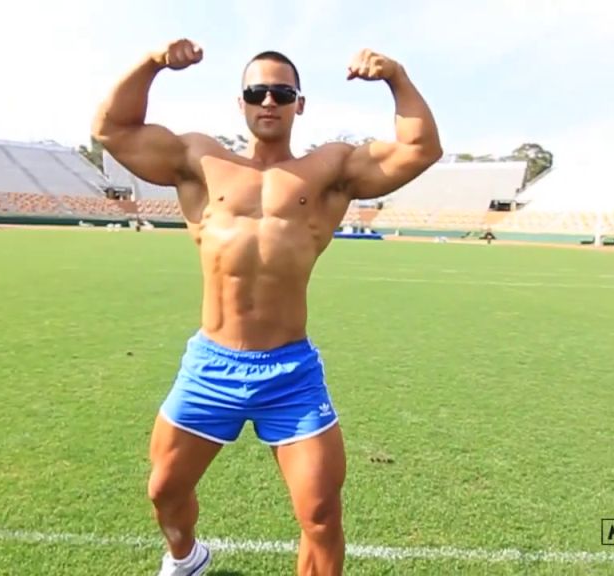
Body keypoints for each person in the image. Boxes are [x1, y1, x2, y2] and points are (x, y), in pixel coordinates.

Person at [92, 39, 442, 576]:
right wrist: (153, 62)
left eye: (282, 92)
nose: (269, 101)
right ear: (242, 103)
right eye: (257, 92)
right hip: (211, 366)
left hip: (289, 374)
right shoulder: (200, 160)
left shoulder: (329, 168)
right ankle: (186, 558)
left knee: (320, 514)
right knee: (164, 490)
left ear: (300, 103)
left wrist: (395, 75)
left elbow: (420, 148)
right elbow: (112, 129)